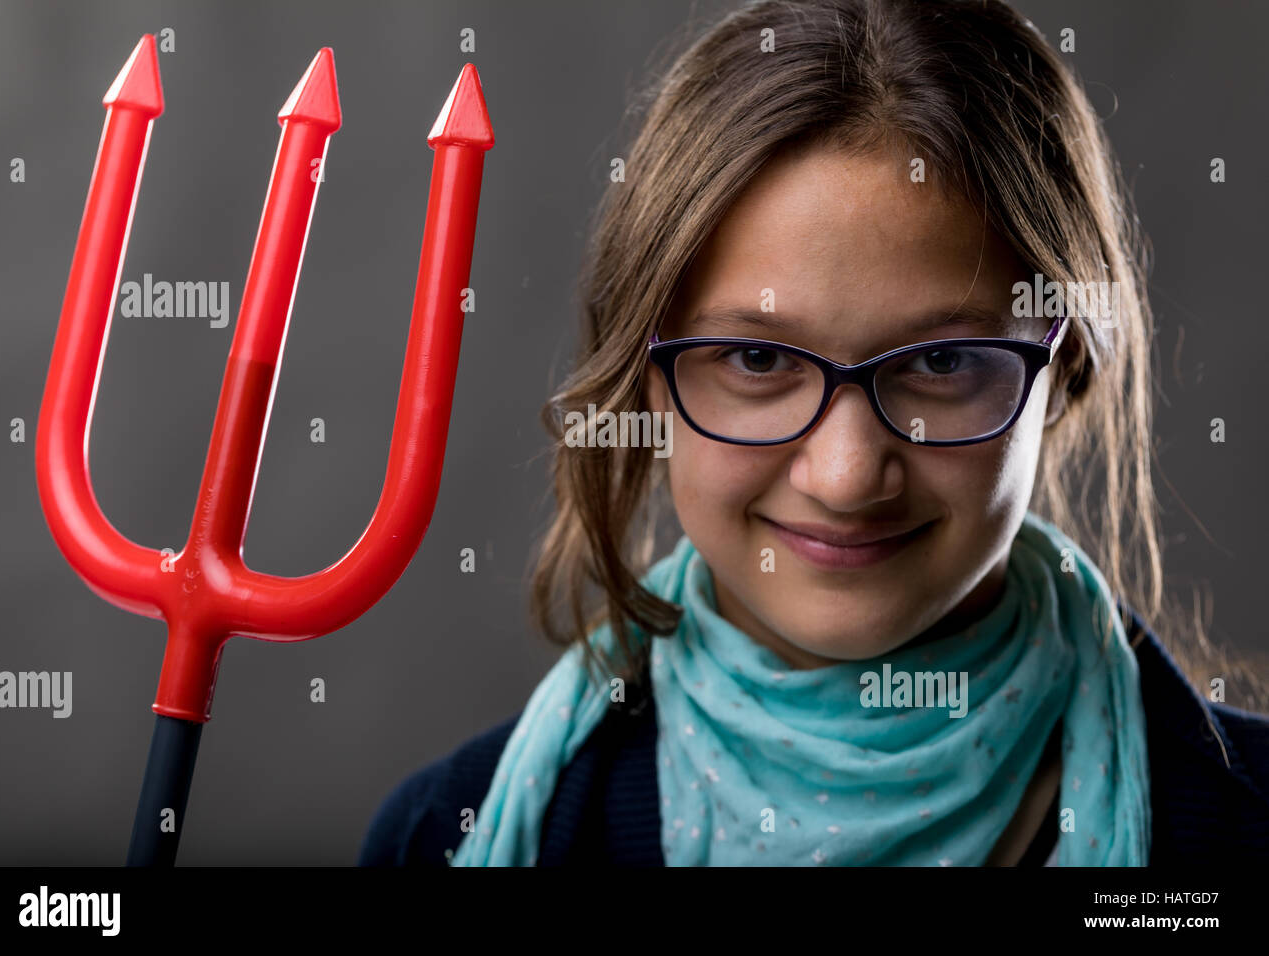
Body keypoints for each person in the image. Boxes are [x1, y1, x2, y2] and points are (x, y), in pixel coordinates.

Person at [360, 0, 1269, 866]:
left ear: (1062, 367)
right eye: (757, 361)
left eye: (943, 363)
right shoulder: (449, 836)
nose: (843, 476)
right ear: (648, 377)